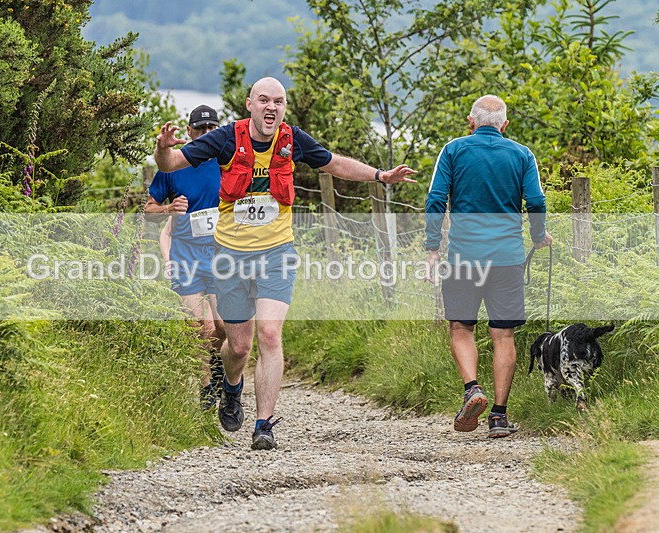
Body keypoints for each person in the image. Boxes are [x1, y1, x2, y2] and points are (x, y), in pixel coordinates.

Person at [154, 77, 417, 450]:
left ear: (284, 107)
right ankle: (231, 386)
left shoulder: (292, 140)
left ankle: (264, 425)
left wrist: (380, 175)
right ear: (249, 104)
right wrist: (162, 149)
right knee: (239, 347)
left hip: (277, 254)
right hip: (229, 257)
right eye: (264, 100)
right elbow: (172, 161)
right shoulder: (227, 138)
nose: (271, 107)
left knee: (271, 335)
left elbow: (335, 163)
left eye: (278, 101)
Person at [424, 94, 552, 438]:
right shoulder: (522, 154)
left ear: (471, 122)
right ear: (504, 125)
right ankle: (498, 416)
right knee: (503, 334)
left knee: (461, 328)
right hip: (507, 258)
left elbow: (436, 199)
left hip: (463, 257)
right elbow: (536, 200)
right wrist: (538, 235)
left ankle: (471, 389)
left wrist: (432, 247)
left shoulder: (453, 150)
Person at [145, 104, 225, 409]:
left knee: (221, 327)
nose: (206, 135)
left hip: (221, 257)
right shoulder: (173, 167)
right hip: (186, 257)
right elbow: (148, 210)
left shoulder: (226, 163)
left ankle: (218, 363)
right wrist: (168, 209)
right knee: (197, 326)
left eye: (211, 130)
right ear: (189, 132)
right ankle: (206, 389)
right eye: (200, 130)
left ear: (218, 132)